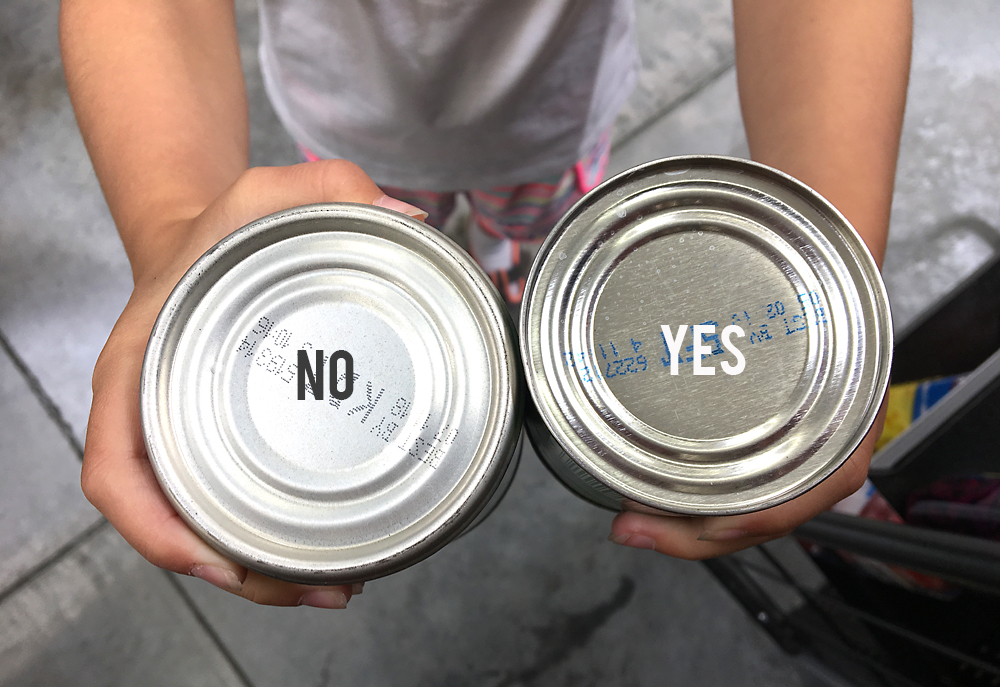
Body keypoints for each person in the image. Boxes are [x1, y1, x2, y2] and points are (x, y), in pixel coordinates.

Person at [59, 0, 912, 610]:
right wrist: (174, 227)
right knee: (390, 256)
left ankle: (516, 282)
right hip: (346, 126)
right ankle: (501, 286)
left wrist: (820, 336)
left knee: (533, 247)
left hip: (549, 127)